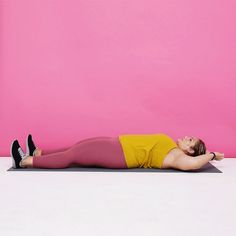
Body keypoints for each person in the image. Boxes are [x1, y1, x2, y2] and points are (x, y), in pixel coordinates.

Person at [10, 133, 224, 171]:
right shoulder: (173, 147)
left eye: (190, 141)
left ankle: (25, 162)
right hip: (117, 144)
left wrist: (212, 155)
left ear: (190, 151)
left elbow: (193, 165)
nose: (187, 137)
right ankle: (38, 153)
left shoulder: (177, 156)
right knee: (77, 146)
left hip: (119, 154)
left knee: (74, 155)